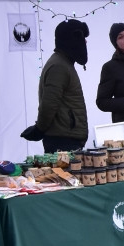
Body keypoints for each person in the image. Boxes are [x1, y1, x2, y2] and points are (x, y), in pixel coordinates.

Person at [21, 19, 90, 153]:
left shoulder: (63, 63)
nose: (85, 42)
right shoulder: (59, 66)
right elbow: (49, 104)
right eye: (82, 38)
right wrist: (39, 129)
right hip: (63, 140)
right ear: (73, 39)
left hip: (65, 137)